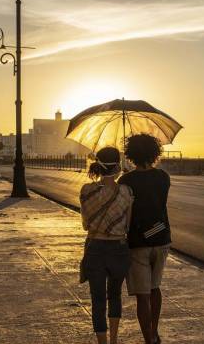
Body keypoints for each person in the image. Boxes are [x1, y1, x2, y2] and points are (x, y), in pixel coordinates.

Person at [118, 134, 171, 344]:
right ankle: (155, 332)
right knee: (155, 287)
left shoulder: (126, 181)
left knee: (142, 294)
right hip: (161, 237)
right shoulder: (163, 177)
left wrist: (127, 178)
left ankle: (148, 339)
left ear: (131, 155)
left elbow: (124, 210)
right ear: (154, 152)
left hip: (138, 242)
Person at [80, 147, 133, 344]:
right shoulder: (126, 192)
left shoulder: (86, 191)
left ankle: (102, 342)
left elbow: (85, 224)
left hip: (95, 248)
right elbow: (127, 225)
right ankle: (114, 340)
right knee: (115, 295)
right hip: (118, 249)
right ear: (118, 166)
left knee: (98, 299)